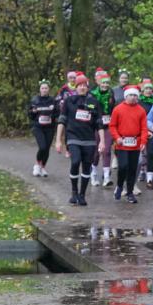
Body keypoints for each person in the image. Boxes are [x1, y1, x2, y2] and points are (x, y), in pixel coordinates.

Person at [55, 74, 105, 206]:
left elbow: (99, 124)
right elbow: (62, 120)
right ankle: (74, 192)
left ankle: (82, 195)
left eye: (84, 85)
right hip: (73, 138)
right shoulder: (69, 101)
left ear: (87, 87)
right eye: (79, 85)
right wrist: (58, 140)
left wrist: (102, 141)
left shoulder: (94, 103)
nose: (82, 88)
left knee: (87, 166)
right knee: (76, 161)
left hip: (89, 139)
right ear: (76, 87)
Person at [109, 85, 149, 203]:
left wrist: (143, 142)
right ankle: (120, 186)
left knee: (132, 168)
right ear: (126, 96)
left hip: (135, 143)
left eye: (135, 95)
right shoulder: (118, 109)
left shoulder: (141, 110)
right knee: (123, 166)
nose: (132, 97)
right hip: (122, 143)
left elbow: (144, 128)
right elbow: (112, 126)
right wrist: (117, 138)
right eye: (130, 95)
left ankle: (130, 192)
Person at [91, 69, 116, 187]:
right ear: (99, 83)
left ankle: (106, 177)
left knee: (106, 150)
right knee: (96, 151)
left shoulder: (111, 94)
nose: (105, 85)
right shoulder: (92, 94)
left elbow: (114, 110)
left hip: (108, 125)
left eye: (107, 83)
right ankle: (93, 173)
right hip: (96, 126)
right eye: (103, 83)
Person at [28, 80, 58, 177]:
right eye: (42, 88)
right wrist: (33, 112)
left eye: (46, 88)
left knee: (47, 149)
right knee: (42, 147)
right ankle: (37, 165)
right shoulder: (35, 100)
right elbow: (30, 115)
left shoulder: (53, 100)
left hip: (49, 127)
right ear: (40, 89)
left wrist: (53, 113)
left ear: (48, 89)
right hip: (38, 127)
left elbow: (58, 113)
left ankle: (43, 167)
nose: (44, 90)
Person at [138, 78, 153, 190]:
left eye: (150, 88)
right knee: (139, 156)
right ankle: (133, 180)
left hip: (152, 131)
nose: (148, 90)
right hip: (139, 131)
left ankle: (149, 180)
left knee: (150, 154)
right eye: (146, 88)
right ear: (142, 90)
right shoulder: (138, 102)